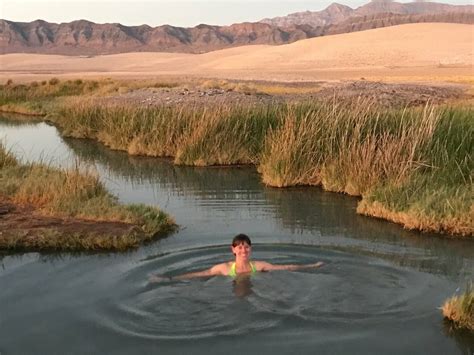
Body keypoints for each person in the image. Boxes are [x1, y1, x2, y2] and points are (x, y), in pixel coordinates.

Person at [151, 234, 324, 282]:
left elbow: (285, 267)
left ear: (251, 249)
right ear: (233, 250)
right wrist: (170, 278)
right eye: (240, 247)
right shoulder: (224, 268)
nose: (243, 250)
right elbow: (200, 274)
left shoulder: (258, 265)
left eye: (246, 247)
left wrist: (312, 266)